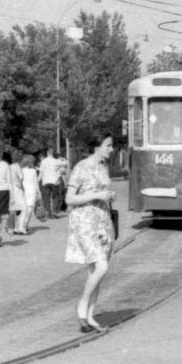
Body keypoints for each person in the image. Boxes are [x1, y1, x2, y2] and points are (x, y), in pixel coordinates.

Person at [66, 134, 118, 332]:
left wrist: (108, 196)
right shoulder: (81, 167)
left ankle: (89, 315)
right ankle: (82, 303)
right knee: (102, 267)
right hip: (85, 222)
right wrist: (97, 195)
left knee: (94, 271)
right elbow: (69, 199)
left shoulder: (103, 167)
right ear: (97, 146)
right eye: (108, 145)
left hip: (103, 222)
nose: (111, 149)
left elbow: (103, 193)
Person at [39, 148, 64, 220]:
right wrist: (62, 159)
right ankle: (55, 211)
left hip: (45, 181)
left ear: (47, 153)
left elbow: (41, 172)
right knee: (55, 196)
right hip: (54, 181)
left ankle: (48, 213)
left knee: (46, 198)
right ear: (53, 154)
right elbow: (66, 163)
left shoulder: (43, 161)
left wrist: (38, 180)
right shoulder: (56, 161)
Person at [19, 154, 41, 234]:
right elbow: (35, 183)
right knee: (30, 208)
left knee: (25, 208)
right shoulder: (33, 171)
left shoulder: (21, 170)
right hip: (31, 190)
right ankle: (25, 223)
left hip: (23, 190)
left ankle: (24, 224)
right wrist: (39, 192)